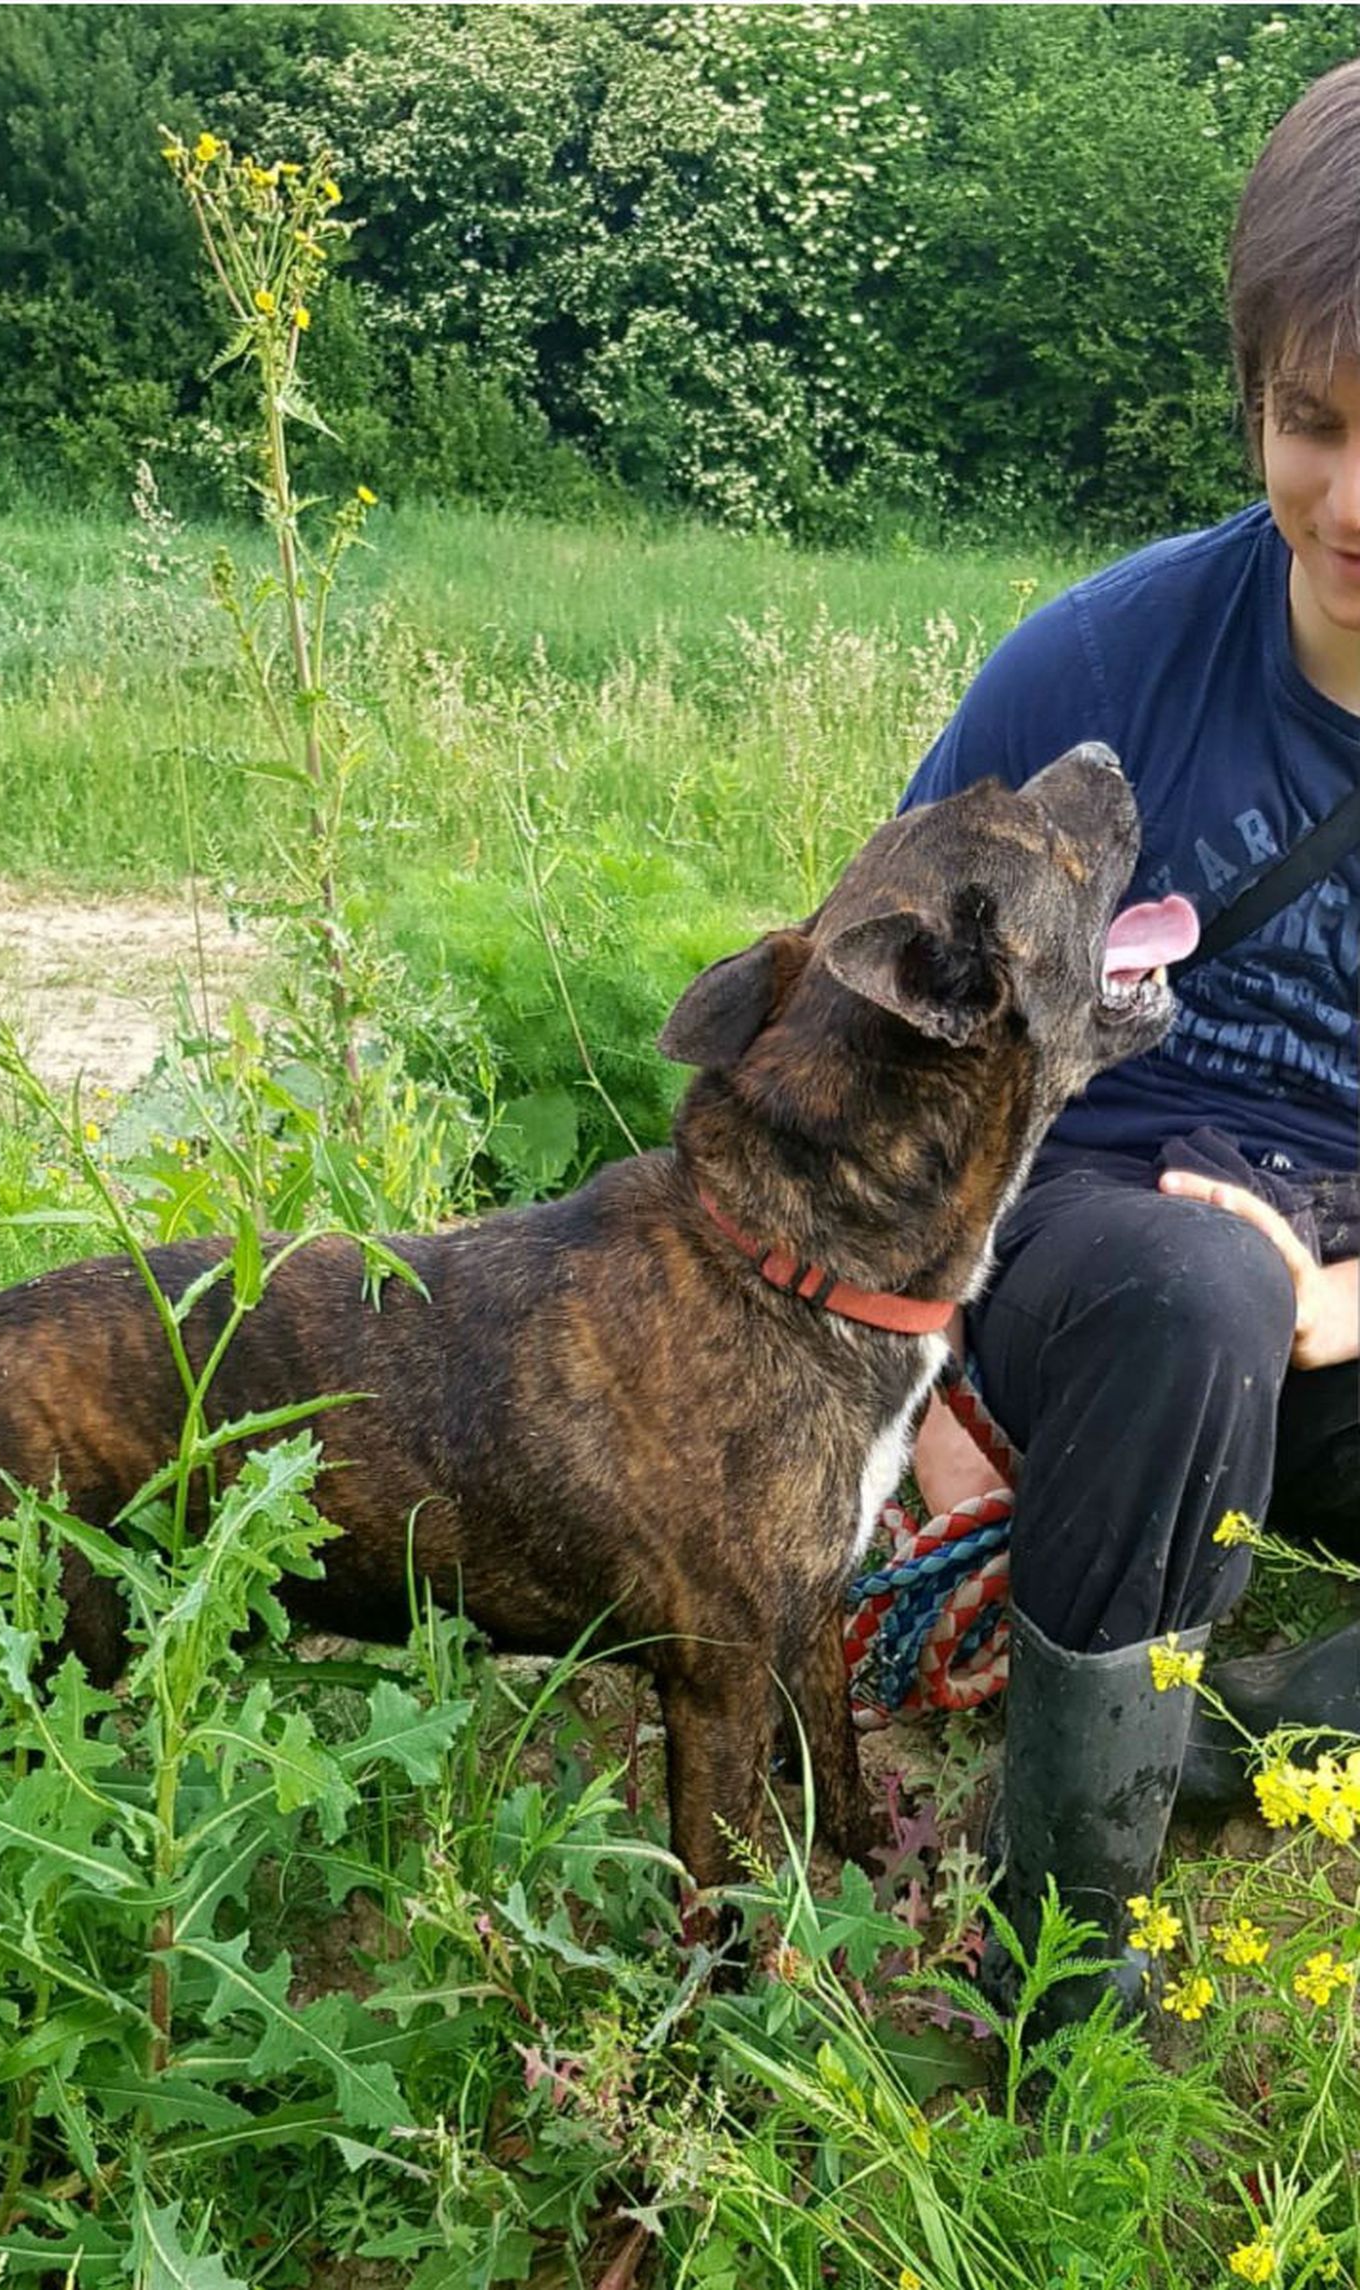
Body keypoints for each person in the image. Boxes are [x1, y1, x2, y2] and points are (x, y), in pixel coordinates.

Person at [900, 58, 1360, 2022]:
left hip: (1339, 1300)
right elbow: (885, 1049)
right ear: (1252, 394)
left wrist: (1339, 1294)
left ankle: (1256, 1732)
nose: (1352, 499)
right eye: (1314, 423)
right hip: (1104, 1249)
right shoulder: (1100, 661)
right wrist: (914, 1398)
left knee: (1256, 1295)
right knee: (1194, 1288)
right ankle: (1064, 1975)